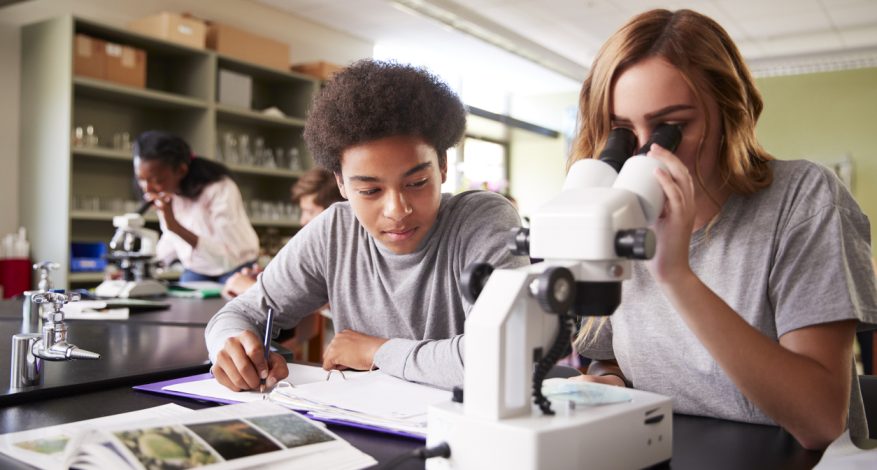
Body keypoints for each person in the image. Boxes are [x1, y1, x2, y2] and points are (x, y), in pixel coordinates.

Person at [571, 9, 877, 450]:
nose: (643, 154)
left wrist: (675, 275)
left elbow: (821, 420)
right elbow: (608, 361)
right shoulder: (620, 211)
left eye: (670, 128)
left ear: (729, 112)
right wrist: (607, 384)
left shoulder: (804, 200)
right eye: (621, 132)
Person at [205, 59, 528, 392]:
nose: (397, 210)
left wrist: (378, 350)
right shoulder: (335, 231)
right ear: (342, 185)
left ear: (443, 166)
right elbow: (239, 313)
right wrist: (230, 347)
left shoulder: (483, 220)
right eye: (370, 191)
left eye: (416, 182)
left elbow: (502, 356)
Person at [132, 130, 259, 283]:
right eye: (141, 179)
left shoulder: (219, 188)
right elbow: (170, 239)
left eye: (156, 180)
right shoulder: (168, 192)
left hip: (236, 268)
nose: (148, 189)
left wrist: (175, 226)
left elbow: (227, 259)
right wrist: (142, 269)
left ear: (181, 170)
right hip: (197, 269)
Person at [221, 167, 345, 299]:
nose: (302, 220)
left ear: (334, 211)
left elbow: (318, 302)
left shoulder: (342, 253)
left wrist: (251, 287)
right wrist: (270, 280)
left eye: (309, 211)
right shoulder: (319, 249)